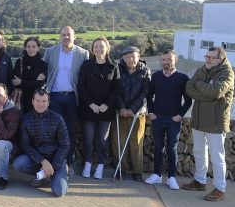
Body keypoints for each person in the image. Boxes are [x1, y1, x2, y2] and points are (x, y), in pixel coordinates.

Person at [183, 46, 234, 201]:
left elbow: (216, 92)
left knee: (217, 157)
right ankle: (200, 181)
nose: (207, 59)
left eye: (211, 57)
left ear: (220, 59)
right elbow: (188, 88)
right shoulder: (203, 69)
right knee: (199, 152)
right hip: (198, 121)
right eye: (206, 56)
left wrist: (199, 87)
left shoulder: (228, 74)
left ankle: (220, 188)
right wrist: (207, 93)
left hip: (215, 123)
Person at [43, 26, 89, 171]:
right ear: (60, 36)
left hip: (72, 97)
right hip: (54, 96)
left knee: (69, 130)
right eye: (63, 34)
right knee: (54, 130)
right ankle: (54, 161)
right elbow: (42, 70)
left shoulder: (83, 53)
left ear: (74, 36)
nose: (66, 37)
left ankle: (68, 163)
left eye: (69, 34)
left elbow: (86, 76)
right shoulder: (50, 52)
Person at [145, 50, 192, 190]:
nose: (166, 62)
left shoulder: (183, 78)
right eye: (163, 59)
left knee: (172, 149)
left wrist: (180, 115)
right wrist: (151, 112)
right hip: (157, 118)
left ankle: (171, 177)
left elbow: (188, 101)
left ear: (175, 60)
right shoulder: (156, 76)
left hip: (173, 120)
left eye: (169, 59)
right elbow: (149, 96)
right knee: (158, 148)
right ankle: (157, 175)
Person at [13, 89, 70, 197]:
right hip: (37, 159)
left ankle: (59, 171)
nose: (40, 104)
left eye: (44, 101)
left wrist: (52, 166)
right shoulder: (26, 119)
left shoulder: (58, 119)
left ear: (48, 102)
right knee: (18, 164)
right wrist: (42, 161)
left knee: (59, 192)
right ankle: (42, 176)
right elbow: (25, 145)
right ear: (32, 102)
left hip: (56, 159)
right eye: (38, 101)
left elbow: (65, 145)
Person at [78, 36, 120, 179]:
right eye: (96, 46)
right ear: (92, 49)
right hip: (89, 108)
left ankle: (101, 165)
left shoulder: (114, 66)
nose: (99, 49)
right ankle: (88, 163)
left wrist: (105, 105)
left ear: (107, 48)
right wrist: (91, 104)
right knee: (88, 138)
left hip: (106, 110)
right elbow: (81, 86)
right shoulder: (86, 65)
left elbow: (116, 89)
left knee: (102, 139)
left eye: (102, 46)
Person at [110, 46, 151, 182]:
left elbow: (145, 92)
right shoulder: (118, 69)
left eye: (133, 56)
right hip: (119, 111)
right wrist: (121, 108)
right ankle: (122, 169)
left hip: (137, 113)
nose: (130, 59)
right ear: (123, 58)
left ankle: (137, 171)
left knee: (136, 143)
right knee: (119, 142)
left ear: (139, 56)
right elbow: (115, 90)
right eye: (127, 57)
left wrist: (132, 109)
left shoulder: (145, 71)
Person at [11, 36, 48, 113]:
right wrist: (34, 82)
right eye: (28, 47)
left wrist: (22, 82)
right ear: (25, 48)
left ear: (38, 48)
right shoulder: (19, 62)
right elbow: (15, 83)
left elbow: (40, 84)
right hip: (20, 101)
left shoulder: (43, 64)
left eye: (34, 47)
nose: (31, 49)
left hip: (36, 102)